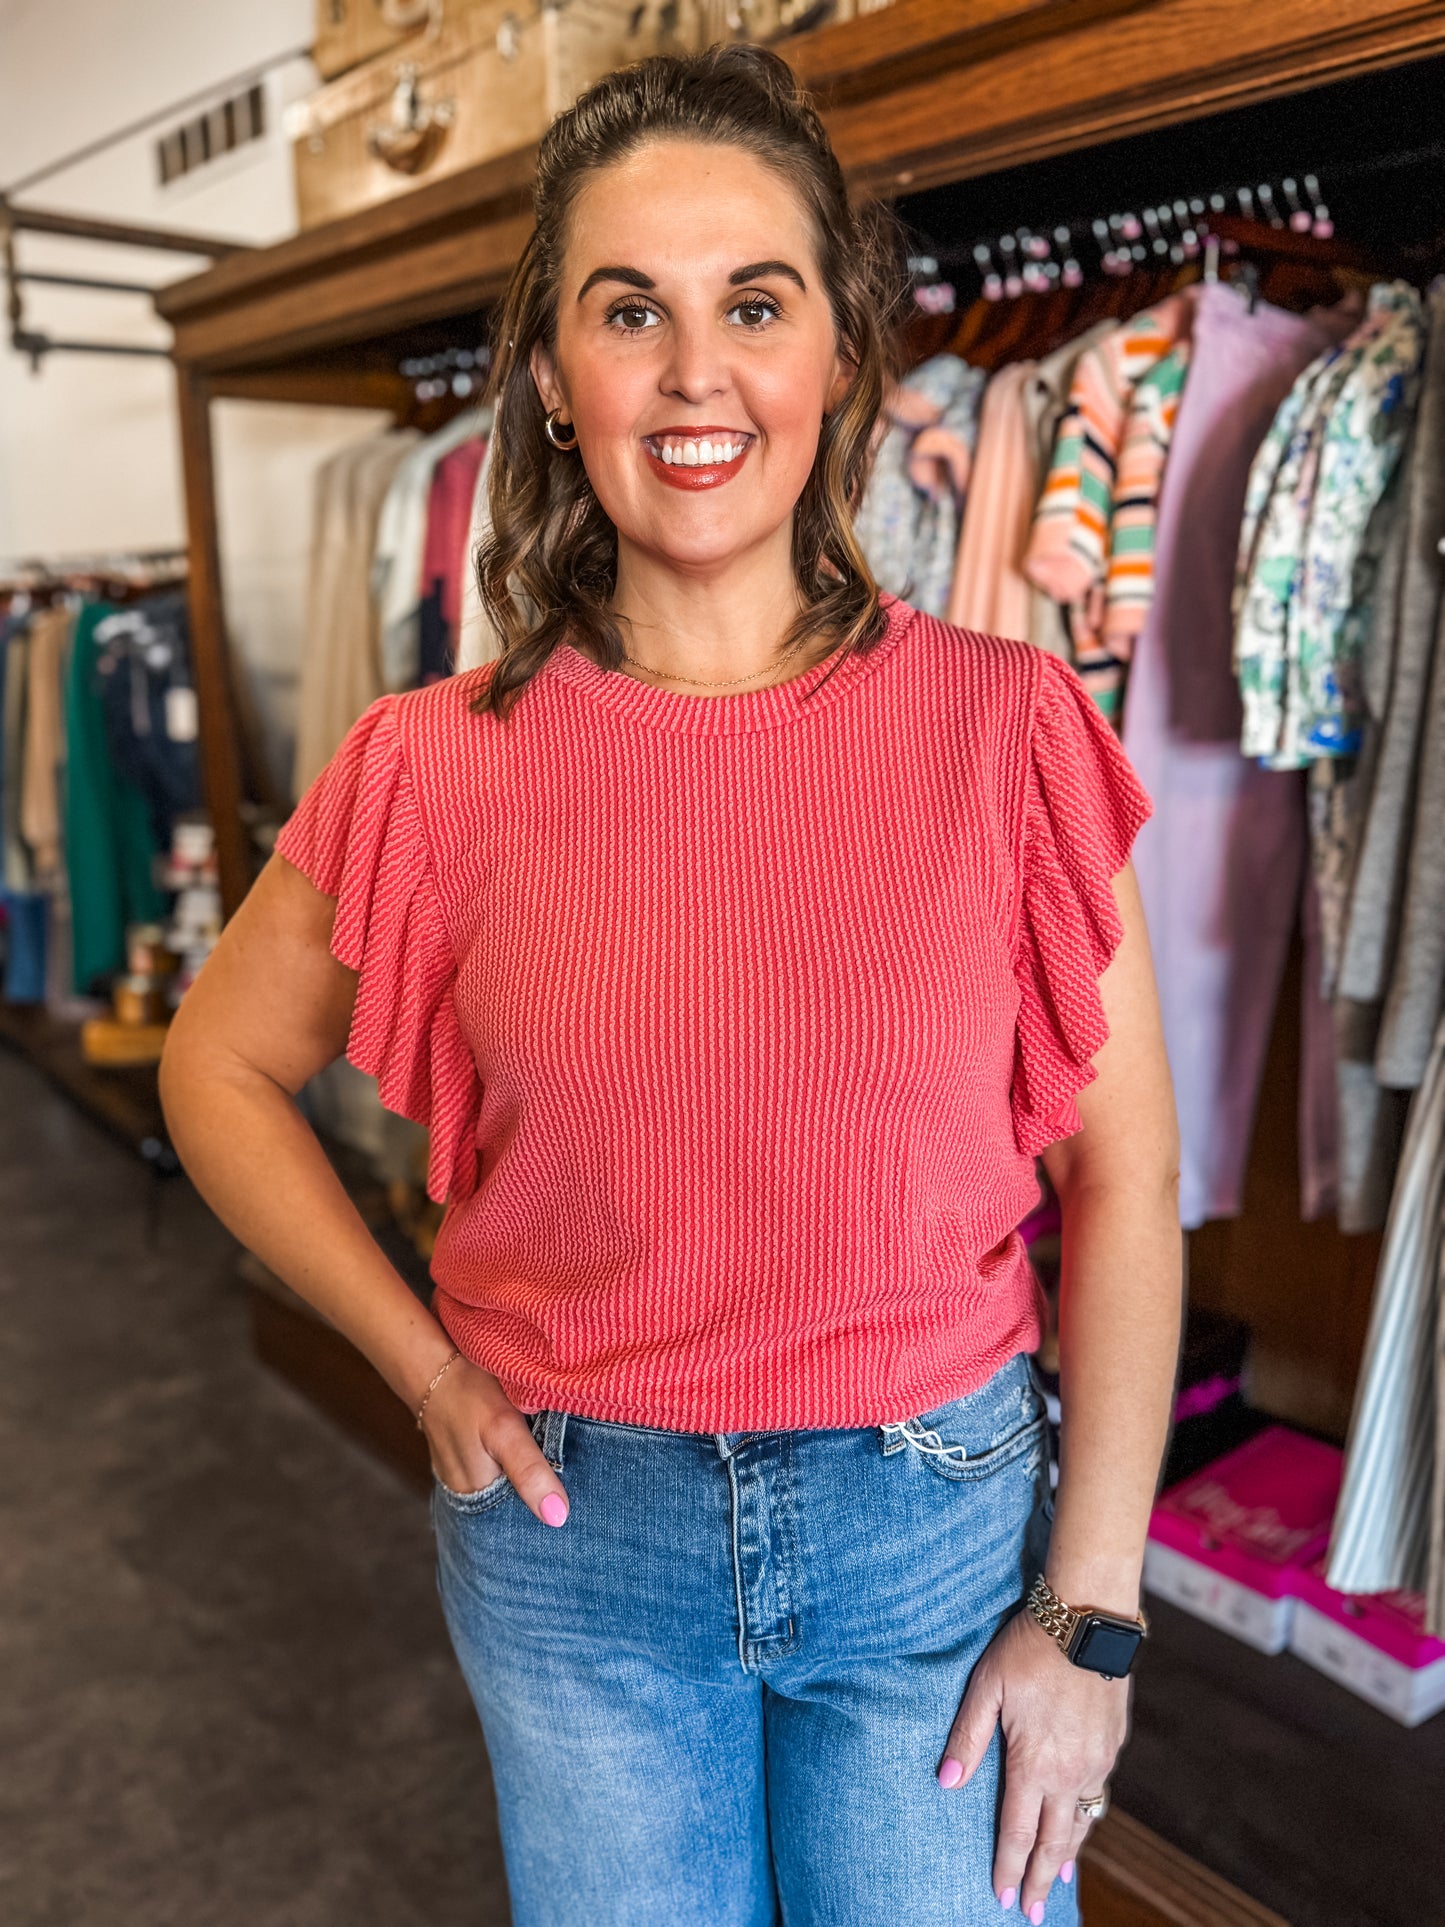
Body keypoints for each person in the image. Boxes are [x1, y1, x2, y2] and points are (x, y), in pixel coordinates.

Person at [159, 41, 1182, 1927]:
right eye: (631, 310)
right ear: (552, 378)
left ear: (839, 359)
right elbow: (212, 1069)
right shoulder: (429, 762)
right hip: (572, 1550)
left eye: (755, 304)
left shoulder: (1005, 727)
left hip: (928, 1541)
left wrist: (1091, 1623)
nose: (696, 370)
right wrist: (419, 1367)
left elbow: (1121, 1182)